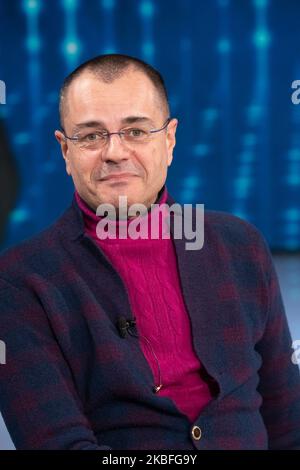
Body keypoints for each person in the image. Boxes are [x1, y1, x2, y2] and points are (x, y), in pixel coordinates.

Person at [0, 54, 300, 451]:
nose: (115, 153)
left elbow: (287, 419)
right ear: (65, 151)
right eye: (91, 136)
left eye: (136, 131)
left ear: (170, 140)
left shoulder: (240, 246)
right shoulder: (20, 281)